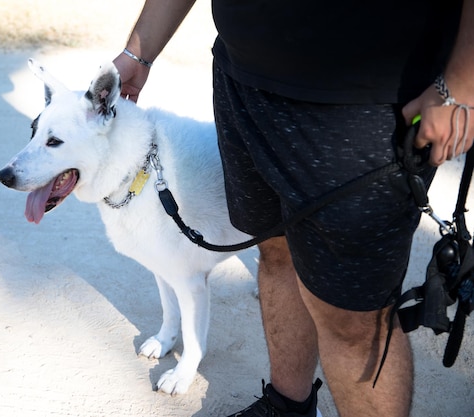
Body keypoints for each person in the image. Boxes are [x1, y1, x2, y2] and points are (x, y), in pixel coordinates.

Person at [113, 1, 474, 416]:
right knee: (276, 251)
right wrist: (140, 51)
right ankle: (288, 407)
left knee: (354, 316)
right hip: (242, 81)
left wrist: (461, 85)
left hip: (366, 100)